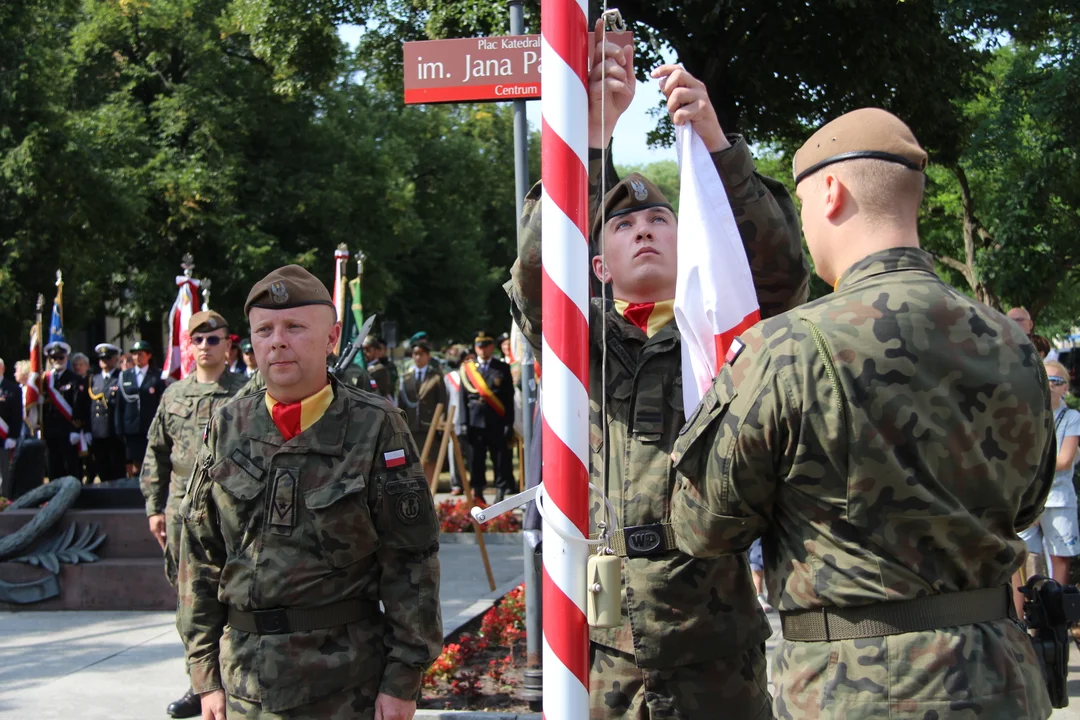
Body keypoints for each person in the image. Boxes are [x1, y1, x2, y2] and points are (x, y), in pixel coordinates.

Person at [669, 108, 1055, 718]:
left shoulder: (787, 347)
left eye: (798, 208)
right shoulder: (1012, 344)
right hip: (999, 678)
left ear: (830, 192)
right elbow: (1028, 501)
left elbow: (702, 526)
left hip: (856, 685)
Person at [506, 29, 808, 718]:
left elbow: (782, 275)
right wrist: (587, 139)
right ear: (597, 263)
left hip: (714, 646)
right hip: (604, 643)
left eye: (659, 219)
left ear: (687, 241)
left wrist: (717, 145)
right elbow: (533, 277)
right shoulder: (575, 345)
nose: (642, 227)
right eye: (622, 224)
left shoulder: (723, 339)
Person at [177, 265, 441, 720]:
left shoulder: (375, 424)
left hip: (345, 685)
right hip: (243, 685)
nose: (278, 340)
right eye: (264, 330)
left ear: (332, 337)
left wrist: (403, 679)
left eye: (295, 327)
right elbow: (199, 554)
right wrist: (204, 677)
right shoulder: (226, 426)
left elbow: (411, 560)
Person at [141, 311, 247, 719]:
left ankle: (234, 680)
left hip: (229, 507)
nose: (206, 346)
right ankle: (200, 685)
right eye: (198, 339)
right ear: (189, 346)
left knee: (232, 594)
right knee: (190, 602)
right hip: (182, 509)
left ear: (228, 345)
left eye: (214, 339)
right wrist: (154, 509)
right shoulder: (173, 395)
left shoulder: (245, 392)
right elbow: (156, 455)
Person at [1014, 359, 1080, 593]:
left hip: (1059, 499)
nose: (1050, 385)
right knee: (1020, 559)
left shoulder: (1072, 418)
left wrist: (1029, 465)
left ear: (1065, 388)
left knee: (1060, 557)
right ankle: (1020, 621)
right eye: (1046, 379)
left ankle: (1057, 618)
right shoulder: (1027, 416)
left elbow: (1064, 461)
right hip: (1028, 499)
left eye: (1057, 381)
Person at [460, 332, 515, 504]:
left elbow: (508, 398)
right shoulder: (468, 369)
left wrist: (509, 423)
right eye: (479, 347)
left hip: (496, 421)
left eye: (486, 346)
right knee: (476, 460)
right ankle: (478, 493)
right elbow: (462, 398)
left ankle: (500, 492)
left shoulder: (502, 368)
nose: (482, 350)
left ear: (492, 347)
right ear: (475, 348)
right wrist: (463, 422)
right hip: (475, 423)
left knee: (500, 460)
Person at [398, 341, 448, 483]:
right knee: (413, 460)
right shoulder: (406, 378)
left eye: (421, 354)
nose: (418, 357)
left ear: (428, 356)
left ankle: (430, 491)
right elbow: (401, 404)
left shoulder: (436, 377)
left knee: (430, 460)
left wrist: (440, 424)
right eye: (415, 354)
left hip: (430, 426)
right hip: (411, 426)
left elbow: (442, 402)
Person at [41, 341, 91, 481]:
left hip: (68, 431)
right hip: (50, 431)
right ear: (50, 360)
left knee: (70, 467)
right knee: (53, 467)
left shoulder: (74, 379)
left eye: (60, 357)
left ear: (66, 358)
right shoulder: (45, 380)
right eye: (54, 358)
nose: (57, 361)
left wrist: (77, 429)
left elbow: (80, 406)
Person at [115, 340, 166, 477]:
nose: (137, 357)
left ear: (148, 355)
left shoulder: (157, 375)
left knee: (153, 463)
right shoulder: (125, 375)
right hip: (132, 427)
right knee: (135, 465)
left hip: (151, 426)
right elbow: (120, 404)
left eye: (140, 354)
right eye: (134, 354)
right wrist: (119, 426)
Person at [89, 343, 126, 482]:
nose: (104, 361)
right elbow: (90, 406)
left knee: (117, 466)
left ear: (116, 359)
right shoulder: (94, 379)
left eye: (108, 358)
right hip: (98, 430)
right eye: (102, 358)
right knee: (102, 465)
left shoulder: (121, 377)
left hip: (114, 430)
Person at [0, 358, 23, 485]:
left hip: (4, 438)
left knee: (4, 473)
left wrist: (13, 436)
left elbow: (16, 415)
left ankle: (3, 501)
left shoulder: (12, 389)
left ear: (2, 369)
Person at [362, 335, 393, 400]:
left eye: (368, 349)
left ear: (377, 351)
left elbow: (379, 393)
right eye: (362, 349)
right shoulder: (362, 366)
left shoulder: (380, 369)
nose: (364, 352)